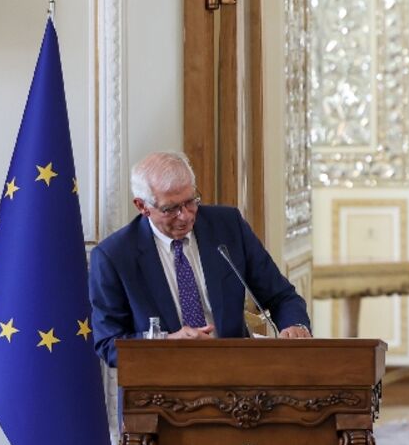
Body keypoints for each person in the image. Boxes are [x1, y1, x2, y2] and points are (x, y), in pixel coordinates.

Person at [89, 151, 311, 367]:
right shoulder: (114, 256)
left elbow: (281, 296)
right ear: (142, 206)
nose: (185, 215)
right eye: (171, 208)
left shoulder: (227, 226)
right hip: (162, 387)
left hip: (235, 374)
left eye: (190, 201)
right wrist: (168, 342)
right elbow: (109, 344)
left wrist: (295, 325)